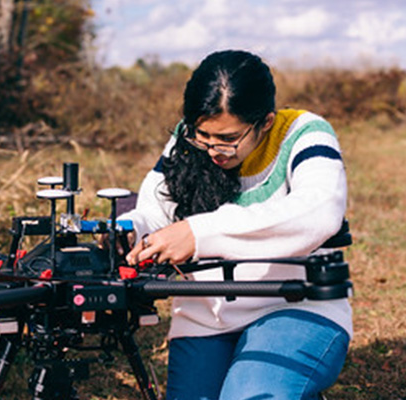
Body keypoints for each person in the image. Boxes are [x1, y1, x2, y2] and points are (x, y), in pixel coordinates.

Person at [123, 50, 351, 399]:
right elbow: (154, 212)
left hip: (294, 305)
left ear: (266, 122)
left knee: (250, 394)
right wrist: (127, 232)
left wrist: (201, 233)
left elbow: (318, 213)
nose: (215, 149)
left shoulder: (305, 134)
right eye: (204, 135)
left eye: (229, 139)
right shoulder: (188, 141)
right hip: (204, 317)